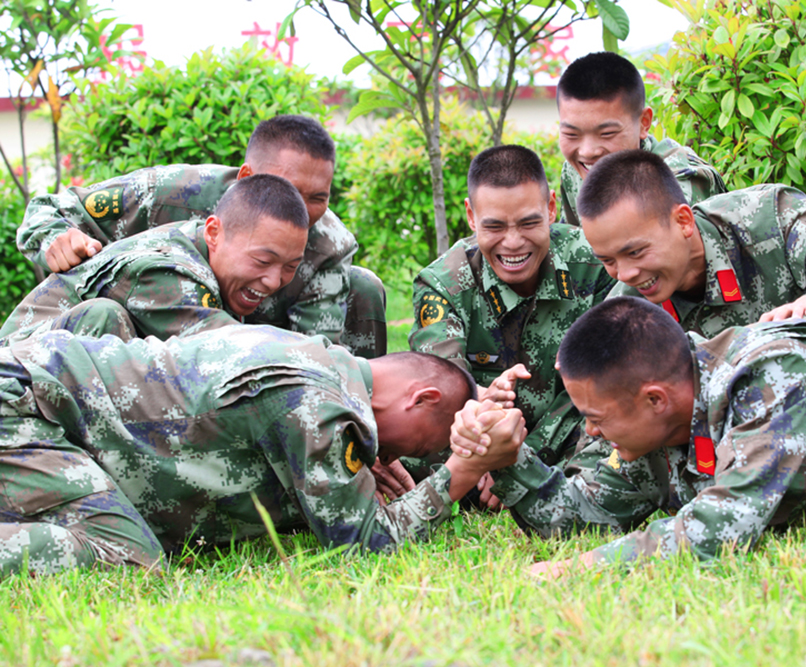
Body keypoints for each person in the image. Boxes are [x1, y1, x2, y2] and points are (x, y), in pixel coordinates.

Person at [451, 296, 806, 575]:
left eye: (596, 419)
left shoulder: (770, 375)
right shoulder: (660, 424)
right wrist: (507, 458)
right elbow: (580, 518)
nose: (589, 432)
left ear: (653, 399)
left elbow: (724, 528)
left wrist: (583, 570)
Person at [0, 302, 524, 575]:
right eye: (417, 445)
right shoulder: (314, 399)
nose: (395, 457)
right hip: (27, 408)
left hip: (40, 404)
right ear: (422, 398)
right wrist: (463, 472)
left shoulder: (315, 358)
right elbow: (365, 545)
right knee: (127, 558)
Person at [16, 114, 387, 358]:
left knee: (362, 286)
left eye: (318, 197)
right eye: (285, 189)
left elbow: (313, 351)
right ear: (246, 178)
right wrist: (54, 237)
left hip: (244, 338)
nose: (302, 211)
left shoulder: (328, 245)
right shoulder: (173, 194)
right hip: (130, 332)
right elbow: (52, 208)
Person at [409, 145, 616, 499]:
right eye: (494, 226)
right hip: (473, 440)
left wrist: (519, 460)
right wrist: (483, 427)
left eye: (529, 222)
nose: (514, 242)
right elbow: (444, 391)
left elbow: (605, 379)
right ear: (472, 217)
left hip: (571, 432)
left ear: (551, 207)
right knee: (410, 444)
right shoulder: (443, 284)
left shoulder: (594, 262)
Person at [578, 150, 806, 337]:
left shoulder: (767, 218)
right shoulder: (626, 311)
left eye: (635, 252)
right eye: (608, 260)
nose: (626, 273)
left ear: (683, 221)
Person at [0, 174, 308, 343]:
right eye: (262, 261)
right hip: (16, 380)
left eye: (290, 267)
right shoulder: (167, 271)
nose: (273, 281)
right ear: (214, 233)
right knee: (103, 316)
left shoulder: (214, 256)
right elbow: (235, 351)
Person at [556, 51, 726, 226]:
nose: (588, 151)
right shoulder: (576, 169)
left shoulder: (677, 178)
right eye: (572, 135)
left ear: (644, 123)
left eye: (606, 134)